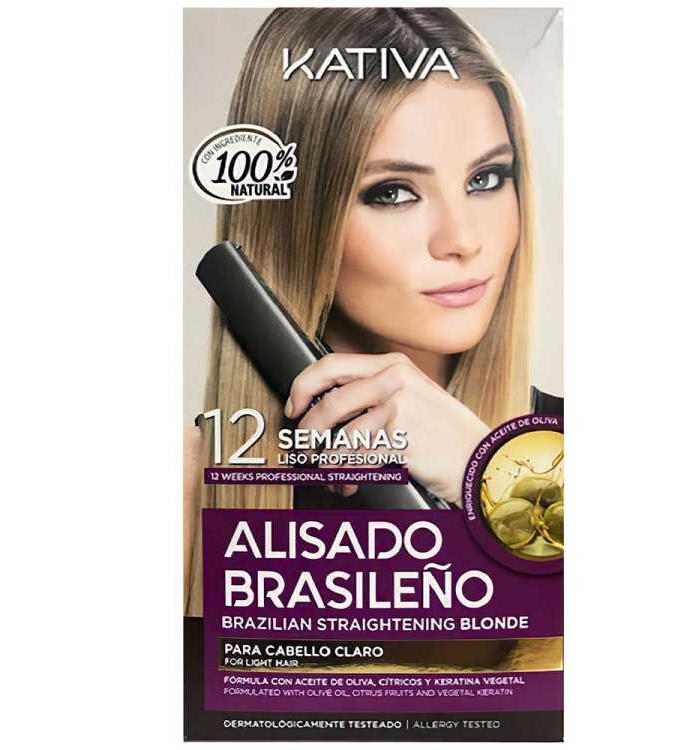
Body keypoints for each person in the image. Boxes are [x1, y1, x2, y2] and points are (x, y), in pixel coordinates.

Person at [185, 7, 536, 618]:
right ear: (294, 221)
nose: (462, 240)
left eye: (486, 179)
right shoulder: (188, 486)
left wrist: (491, 476)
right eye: (392, 192)